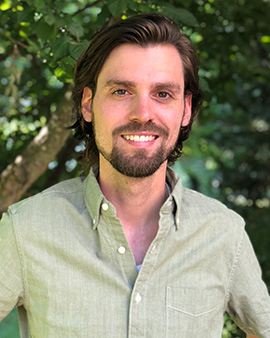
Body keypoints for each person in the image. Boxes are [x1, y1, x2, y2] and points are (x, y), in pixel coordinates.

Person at [0, 13, 269, 338]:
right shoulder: (26, 229)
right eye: (121, 91)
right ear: (88, 104)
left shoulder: (224, 234)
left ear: (186, 110)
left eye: (163, 94)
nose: (142, 113)